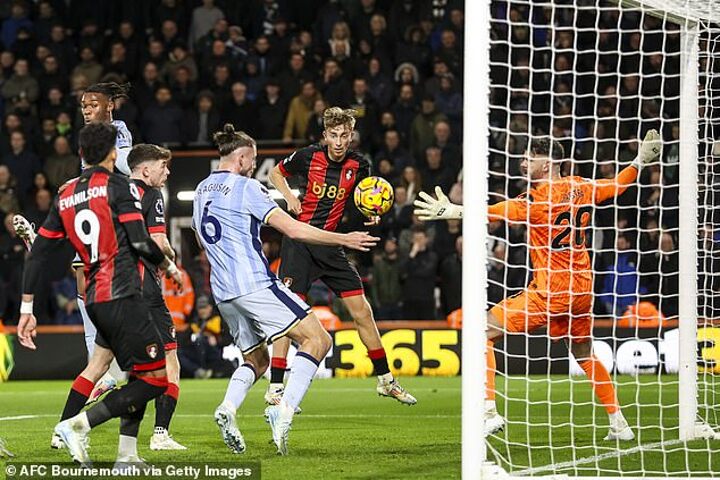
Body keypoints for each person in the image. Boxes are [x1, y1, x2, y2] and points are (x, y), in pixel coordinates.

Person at [413, 130, 662, 440]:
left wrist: (453, 211)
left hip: (552, 291)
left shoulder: (535, 200)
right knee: (584, 353)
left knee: (481, 330)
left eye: (529, 158)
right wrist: (639, 160)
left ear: (546, 165)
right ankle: (619, 423)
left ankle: (488, 411)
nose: (523, 161)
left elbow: (492, 213)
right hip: (583, 288)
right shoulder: (581, 186)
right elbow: (616, 186)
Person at [193, 124, 378, 455]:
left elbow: (198, 234)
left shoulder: (202, 188)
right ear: (243, 157)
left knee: (257, 359)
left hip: (223, 291)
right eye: (254, 159)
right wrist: (344, 239)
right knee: (318, 339)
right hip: (255, 284)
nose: (255, 165)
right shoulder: (247, 188)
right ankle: (284, 410)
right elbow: (294, 229)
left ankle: (227, 408)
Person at [17, 123, 183, 467]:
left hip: (94, 298)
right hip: (124, 294)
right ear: (112, 154)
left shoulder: (64, 193)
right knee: (155, 379)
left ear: (80, 154)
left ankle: (126, 455)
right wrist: (169, 268)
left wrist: (26, 308)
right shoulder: (117, 185)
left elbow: (38, 254)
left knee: (116, 369)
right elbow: (140, 241)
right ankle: (78, 424)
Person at [269, 107, 417, 405]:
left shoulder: (360, 166)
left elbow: (363, 199)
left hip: (331, 246)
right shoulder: (307, 157)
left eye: (344, 136)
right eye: (333, 135)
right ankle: (275, 388)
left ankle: (386, 380)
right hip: (299, 242)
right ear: (325, 136)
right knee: (288, 316)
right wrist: (289, 195)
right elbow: (275, 172)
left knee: (362, 310)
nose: (338, 141)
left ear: (352, 136)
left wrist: (371, 214)